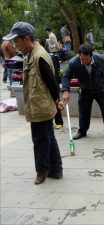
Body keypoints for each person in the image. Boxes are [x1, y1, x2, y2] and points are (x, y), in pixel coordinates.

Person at [3, 22, 64, 184]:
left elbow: (52, 81)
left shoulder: (38, 56)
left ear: (27, 39)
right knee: (48, 137)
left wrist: (57, 100)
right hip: (39, 106)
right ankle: (56, 169)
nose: (15, 45)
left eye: (17, 41)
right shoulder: (30, 54)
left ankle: (42, 171)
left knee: (40, 141)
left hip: (41, 107)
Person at [62, 43, 104, 141]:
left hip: (99, 88)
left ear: (91, 55)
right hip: (85, 90)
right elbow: (66, 76)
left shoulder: (99, 58)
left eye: (86, 59)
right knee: (83, 111)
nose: (84, 61)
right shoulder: (74, 62)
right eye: (82, 59)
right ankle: (82, 131)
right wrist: (66, 90)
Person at [46, 28, 64, 129]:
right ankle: (56, 121)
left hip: (52, 84)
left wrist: (51, 45)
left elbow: (53, 47)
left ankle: (59, 121)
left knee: (55, 97)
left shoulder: (51, 36)